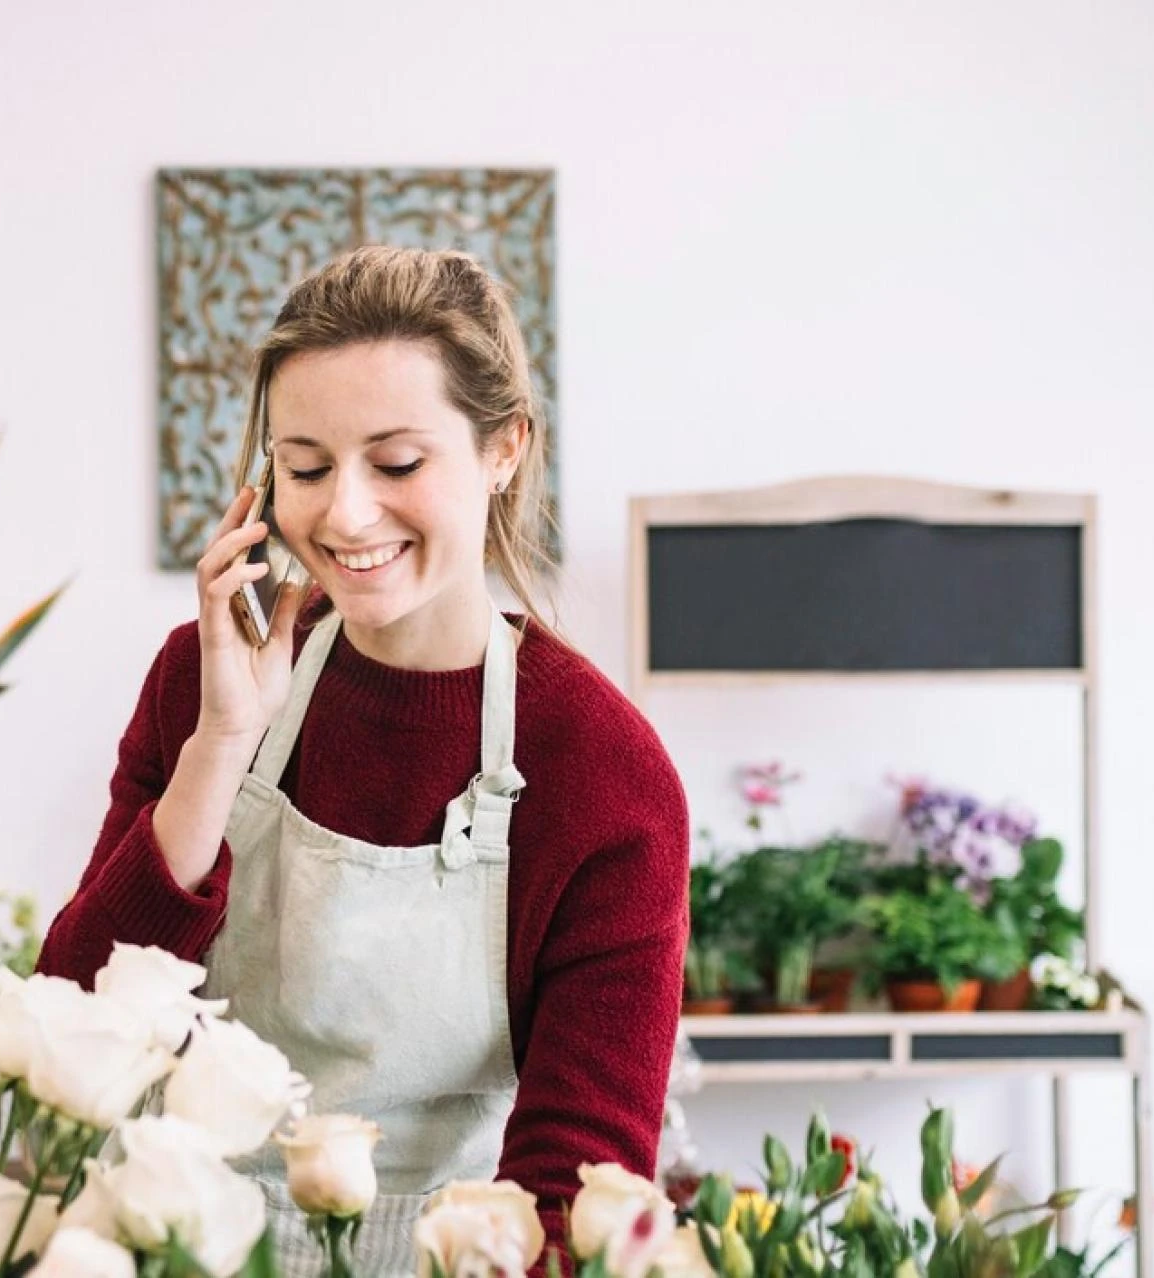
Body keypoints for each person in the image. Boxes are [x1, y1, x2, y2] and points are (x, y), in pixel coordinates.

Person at [39, 246, 688, 1275]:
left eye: (396, 464)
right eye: (303, 467)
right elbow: (73, 1027)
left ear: (503, 449)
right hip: (172, 1245)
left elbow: (577, 1191)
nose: (342, 513)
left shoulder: (603, 772)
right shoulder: (198, 682)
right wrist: (221, 745)